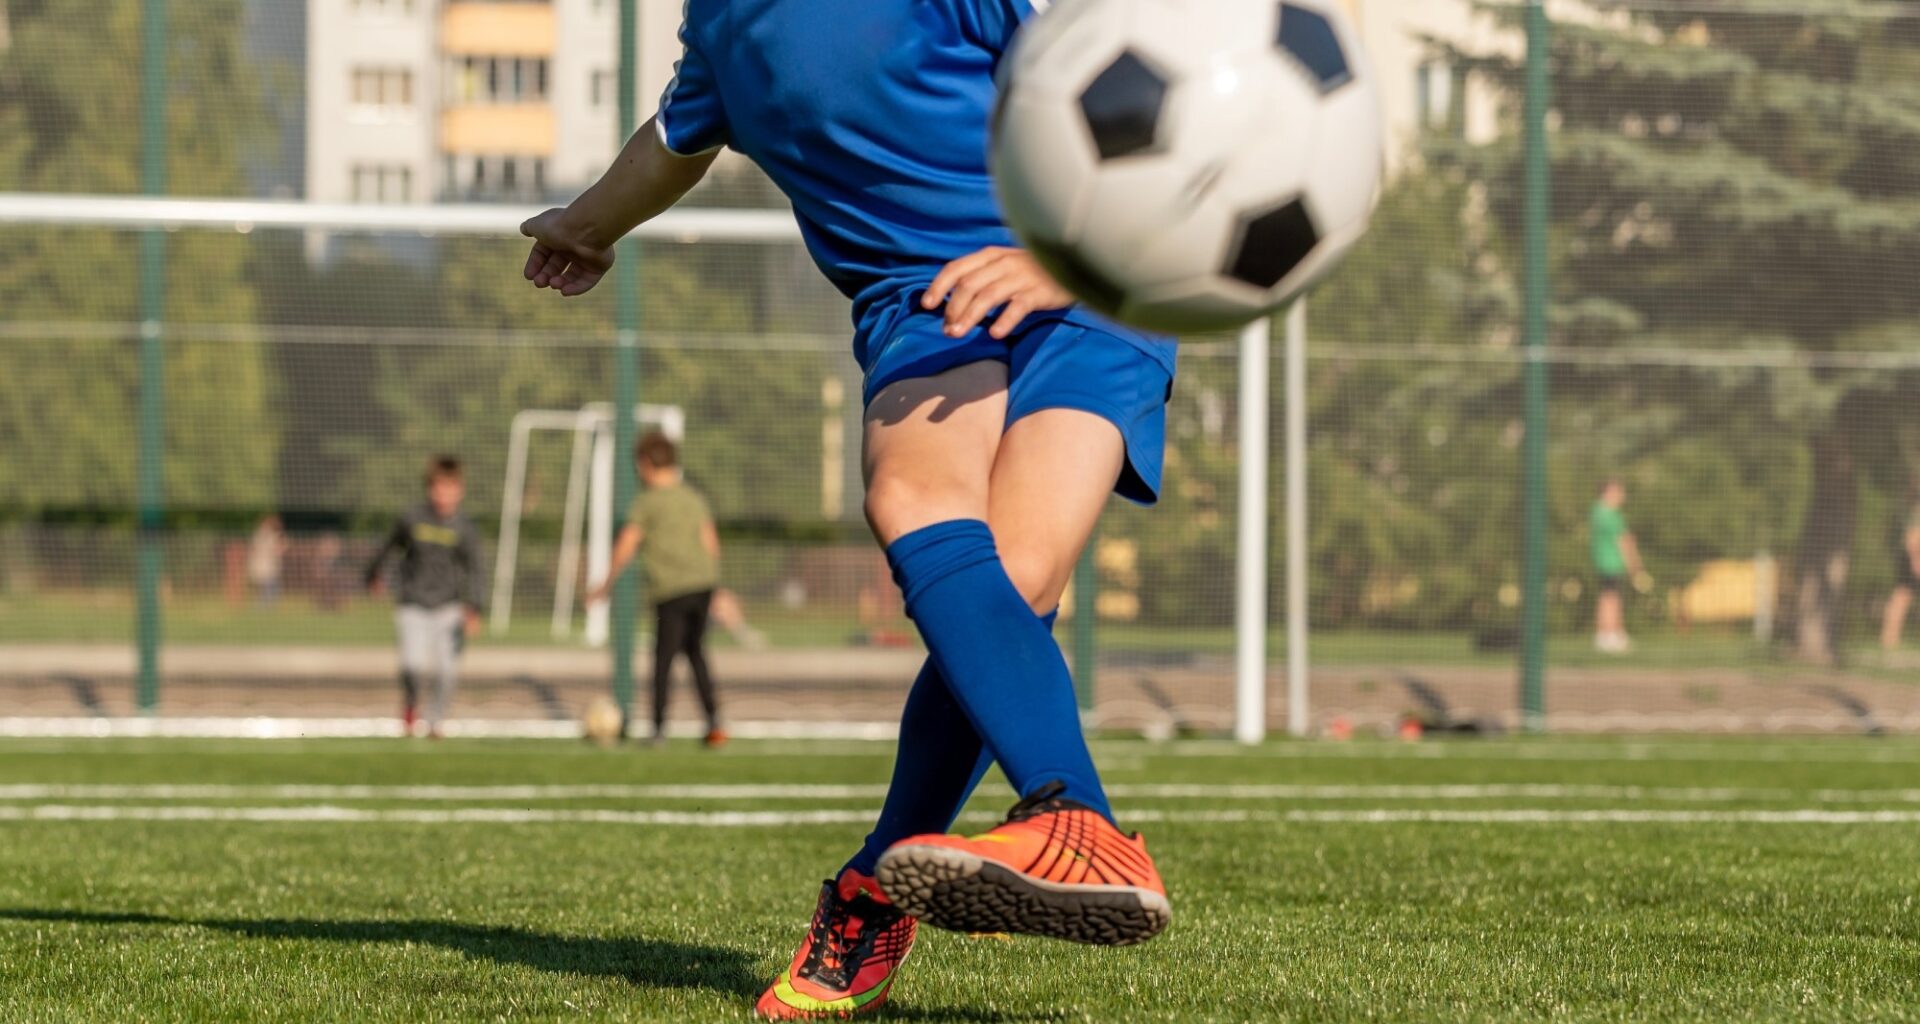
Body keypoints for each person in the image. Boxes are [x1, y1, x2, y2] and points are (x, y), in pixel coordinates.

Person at [518, 0, 1175, 1015]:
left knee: (1017, 572)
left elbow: (1117, 90)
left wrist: (1067, 253)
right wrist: (585, 226)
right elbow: (674, 141)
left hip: (1085, 275)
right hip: (924, 310)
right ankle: (1014, 841)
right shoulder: (724, 33)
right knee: (915, 500)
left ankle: (967, 857)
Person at [587, 431, 728, 748]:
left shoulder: (647, 502)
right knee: (695, 652)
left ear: (647, 464)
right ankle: (714, 722)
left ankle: (659, 729)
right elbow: (711, 542)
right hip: (702, 585)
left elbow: (626, 544)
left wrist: (605, 583)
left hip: (672, 589)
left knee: (663, 658)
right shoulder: (692, 497)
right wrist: (715, 586)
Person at [365, 455, 486, 738]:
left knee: (447, 672)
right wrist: (373, 574)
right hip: (413, 604)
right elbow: (388, 547)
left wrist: (475, 608)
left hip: (449, 607)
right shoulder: (412, 519)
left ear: (460, 490)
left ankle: (435, 721)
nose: (444, 495)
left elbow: (476, 569)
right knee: (411, 666)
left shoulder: (465, 528)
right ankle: (410, 704)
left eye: (450, 488)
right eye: (439, 488)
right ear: (430, 488)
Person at [1591, 478, 1644, 654]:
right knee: (1612, 598)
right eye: (1618, 491)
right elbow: (1624, 541)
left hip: (1602, 561)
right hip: (1612, 562)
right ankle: (1611, 634)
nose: (1622, 495)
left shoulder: (1597, 511)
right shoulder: (1611, 514)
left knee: (1607, 597)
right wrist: (1634, 565)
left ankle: (1608, 635)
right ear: (1608, 492)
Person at [1880, 485, 1920, 651]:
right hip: (1913, 561)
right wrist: (1916, 561)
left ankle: (1889, 639)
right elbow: (1912, 539)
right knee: (1901, 598)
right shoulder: (1917, 512)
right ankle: (1889, 639)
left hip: (1912, 559)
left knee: (1901, 598)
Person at [246, 514, 288, 608]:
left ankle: (264, 606)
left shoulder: (260, 534)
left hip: (265, 566)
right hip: (266, 566)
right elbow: (278, 549)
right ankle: (263, 606)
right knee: (269, 587)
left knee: (268, 587)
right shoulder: (268, 535)